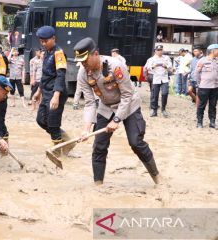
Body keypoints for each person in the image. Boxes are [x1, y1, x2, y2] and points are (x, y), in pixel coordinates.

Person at [74, 37, 161, 185]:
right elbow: (89, 103)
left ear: (95, 54)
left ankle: (157, 177)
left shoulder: (116, 66)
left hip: (128, 105)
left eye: (85, 60)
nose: (83, 64)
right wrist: (86, 129)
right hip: (106, 107)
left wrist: (116, 120)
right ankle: (98, 184)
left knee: (135, 142)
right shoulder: (83, 73)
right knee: (99, 146)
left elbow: (127, 95)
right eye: (81, 61)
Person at [32, 26, 76, 157]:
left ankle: (57, 152)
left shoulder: (58, 53)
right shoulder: (46, 53)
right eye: (41, 41)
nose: (43, 44)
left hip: (56, 93)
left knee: (53, 122)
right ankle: (68, 141)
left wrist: (56, 96)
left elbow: (60, 75)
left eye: (46, 41)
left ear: (53, 38)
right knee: (41, 120)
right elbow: (45, 75)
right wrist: (38, 91)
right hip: (46, 91)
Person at [194, 44, 218, 129]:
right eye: (217, 50)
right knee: (201, 105)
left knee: (213, 105)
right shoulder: (202, 61)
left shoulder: (217, 60)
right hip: (204, 87)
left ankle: (212, 122)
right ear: (213, 51)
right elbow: (196, 74)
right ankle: (199, 122)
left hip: (215, 87)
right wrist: (199, 84)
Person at [146, 45, 172, 118]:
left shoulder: (166, 58)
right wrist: (154, 66)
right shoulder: (151, 59)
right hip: (156, 78)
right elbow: (148, 67)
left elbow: (170, 66)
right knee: (155, 95)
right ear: (155, 51)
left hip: (164, 78)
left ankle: (163, 109)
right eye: (158, 50)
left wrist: (165, 66)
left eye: (161, 50)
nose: (160, 51)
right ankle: (154, 110)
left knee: (165, 93)